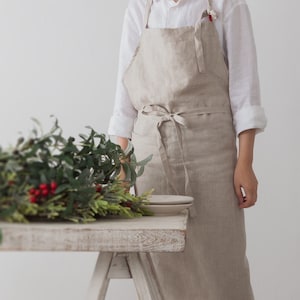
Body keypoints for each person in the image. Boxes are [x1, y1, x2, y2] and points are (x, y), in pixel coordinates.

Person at [108, 0, 267, 299]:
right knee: (163, 260)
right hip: (151, 156)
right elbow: (124, 97)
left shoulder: (227, 6)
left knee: (221, 257)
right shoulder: (140, 9)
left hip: (213, 153)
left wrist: (245, 161)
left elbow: (245, 91)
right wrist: (121, 166)